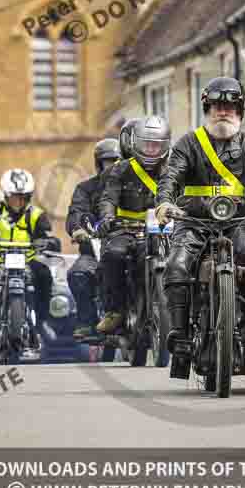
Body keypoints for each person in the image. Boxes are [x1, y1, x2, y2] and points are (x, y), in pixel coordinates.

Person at [155, 76, 245, 362]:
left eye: (230, 107)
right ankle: (179, 333)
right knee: (176, 266)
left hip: (236, 222)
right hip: (193, 222)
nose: (223, 112)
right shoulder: (189, 144)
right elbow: (171, 175)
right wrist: (165, 201)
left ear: (240, 111)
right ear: (207, 109)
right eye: (216, 106)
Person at [0, 169, 61, 347]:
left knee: (44, 274)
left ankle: (42, 321)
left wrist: (48, 243)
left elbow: (47, 235)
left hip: (26, 258)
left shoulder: (36, 215)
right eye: (14, 196)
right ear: (5, 195)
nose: (19, 201)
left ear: (29, 196)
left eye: (23, 196)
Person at [97, 116, 171, 335]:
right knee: (113, 254)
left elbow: (183, 197)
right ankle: (115, 311)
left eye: (156, 145)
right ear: (135, 144)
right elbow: (108, 198)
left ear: (165, 145)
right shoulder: (118, 170)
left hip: (163, 230)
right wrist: (108, 217)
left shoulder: (172, 170)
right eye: (147, 144)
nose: (151, 150)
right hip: (126, 229)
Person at [66, 138, 121, 339]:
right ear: (99, 163)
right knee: (78, 274)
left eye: (119, 160)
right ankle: (87, 322)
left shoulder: (135, 185)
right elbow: (76, 212)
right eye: (109, 161)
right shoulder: (86, 189)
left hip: (131, 243)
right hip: (95, 249)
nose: (114, 165)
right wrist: (79, 229)